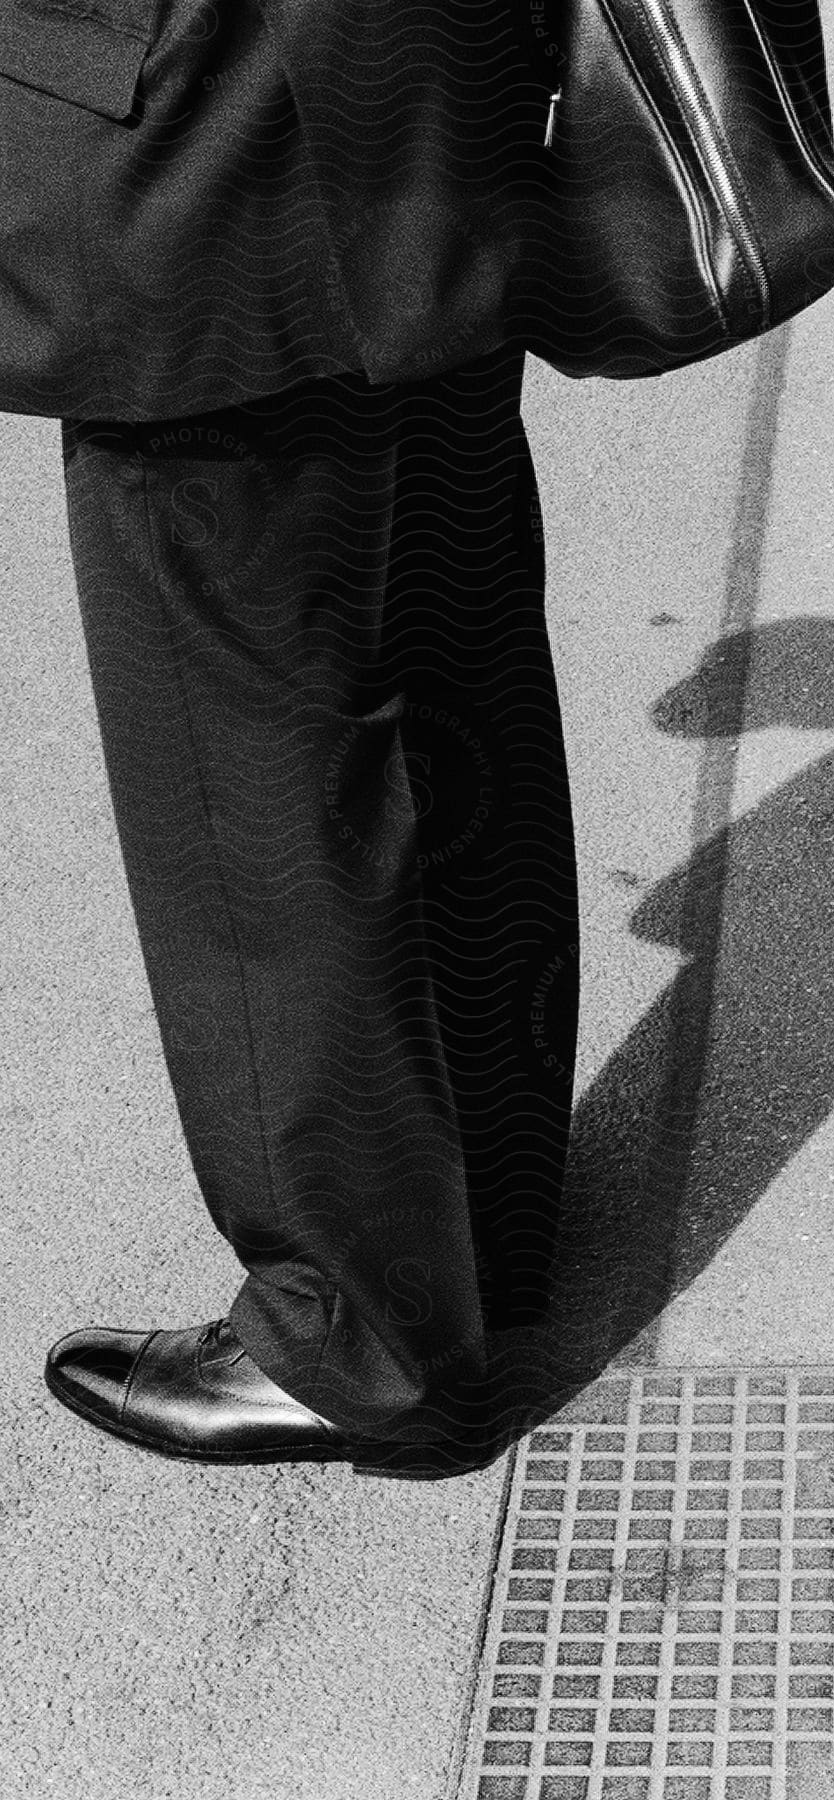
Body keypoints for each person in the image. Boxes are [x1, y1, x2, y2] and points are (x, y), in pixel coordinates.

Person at [3, 0, 579, 1478]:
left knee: (236, 751)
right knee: (446, 646)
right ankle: (484, 1219)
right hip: (426, 86)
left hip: (210, 127)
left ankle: (362, 1340)